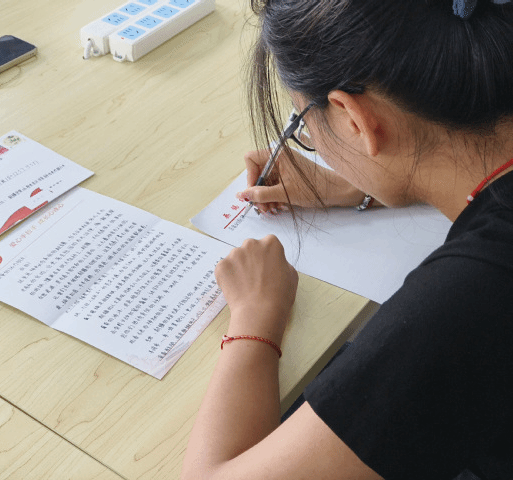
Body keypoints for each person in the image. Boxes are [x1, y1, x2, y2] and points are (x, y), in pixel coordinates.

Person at [181, 0, 513, 478]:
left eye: (302, 126)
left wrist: (256, 316)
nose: (311, 140)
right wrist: (365, 183)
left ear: (353, 118)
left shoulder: (468, 298)